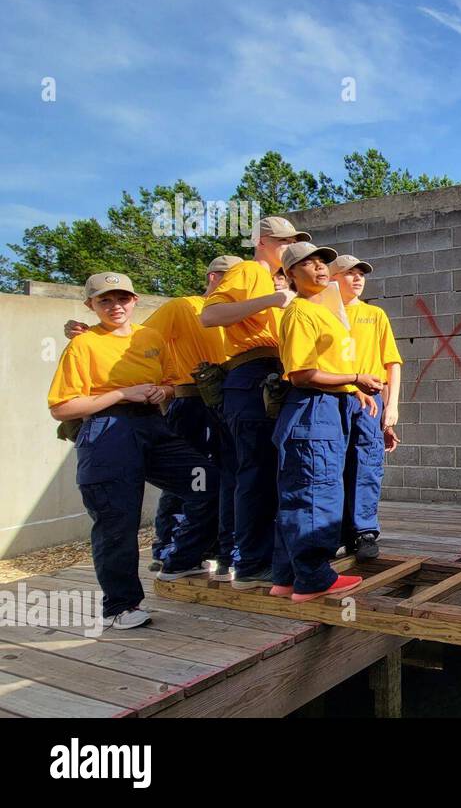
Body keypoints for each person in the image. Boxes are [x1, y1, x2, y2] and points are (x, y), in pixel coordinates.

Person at [47, 272, 217, 629]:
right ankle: (120, 607)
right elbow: (62, 408)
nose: (115, 306)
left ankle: (182, 556)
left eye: (122, 298)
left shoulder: (150, 337)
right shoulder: (83, 344)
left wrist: (162, 392)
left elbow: (172, 382)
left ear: (135, 300)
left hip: (153, 427)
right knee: (116, 521)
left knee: (208, 482)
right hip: (107, 431)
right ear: (90, 305)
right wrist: (122, 394)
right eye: (105, 300)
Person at [66, 255, 239, 577]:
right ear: (213, 277)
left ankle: (199, 550)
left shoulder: (241, 312)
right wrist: (87, 332)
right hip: (188, 403)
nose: (239, 284)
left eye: (123, 298)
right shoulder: (182, 307)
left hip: (222, 403)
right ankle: (165, 549)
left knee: (211, 480)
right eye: (231, 277)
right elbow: (128, 335)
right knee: (175, 486)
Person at [272, 242, 383, 601]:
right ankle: (314, 579)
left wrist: (353, 388)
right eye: (307, 264)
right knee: (317, 492)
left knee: (301, 493)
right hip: (313, 408)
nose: (319, 269)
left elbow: (327, 368)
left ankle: (287, 577)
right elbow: (302, 373)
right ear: (290, 274)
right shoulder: (301, 312)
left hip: (328, 405)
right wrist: (356, 377)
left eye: (322, 262)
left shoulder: (323, 312)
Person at [199, 216, 303, 590]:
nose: (289, 247)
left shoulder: (275, 280)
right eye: (282, 241)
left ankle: (255, 558)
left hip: (271, 373)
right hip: (251, 373)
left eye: (294, 241)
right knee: (255, 471)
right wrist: (273, 299)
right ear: (261, 241)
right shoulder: (247, 271)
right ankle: (250, 564)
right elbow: (209, 315)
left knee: (264, 469)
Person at [329, 254, 402, 561]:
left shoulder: (374, 315)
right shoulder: (321, 314)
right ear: (332, 278)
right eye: (349, 273)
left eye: (361, 274)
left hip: (370, 401)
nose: (358, 278)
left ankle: (364, 532)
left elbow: (391, 363)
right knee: (330, 466)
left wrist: (392, 408)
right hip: (330, 397)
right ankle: (334, 532)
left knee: (366, 463)